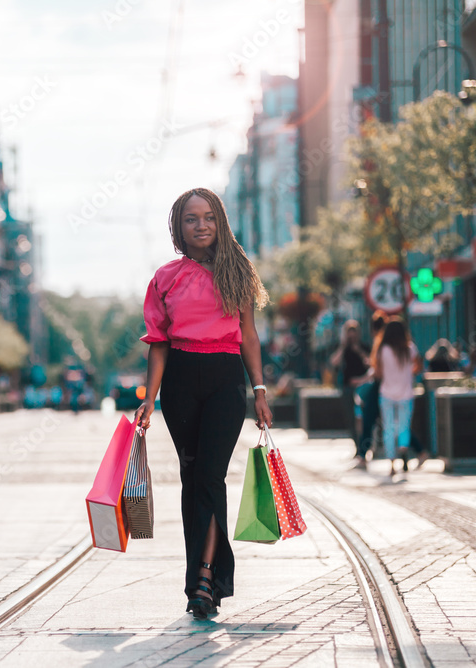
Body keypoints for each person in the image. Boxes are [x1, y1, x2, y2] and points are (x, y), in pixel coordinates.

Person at [134, 187, 271, 620]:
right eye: (191, 219)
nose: (201, 225)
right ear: (179, 226)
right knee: (192, 478)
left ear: (220, 221)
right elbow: (158, 343)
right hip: (180, 381)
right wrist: (149, 398)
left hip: (225, 381)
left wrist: (260, 391)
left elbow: (249, 336)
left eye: (209, 217)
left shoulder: (239, 271)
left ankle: (206, 581)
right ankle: (200, 579)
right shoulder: (165, 278)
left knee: (211, 477)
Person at [372, 317, 421, 475]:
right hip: (406, 392)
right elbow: (418, 366)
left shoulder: (382, 349)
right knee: (404, 426)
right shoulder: (410, 348)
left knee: (388, 427)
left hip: (386, 392)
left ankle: (392, 464)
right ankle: (403, 450)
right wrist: (408, 373)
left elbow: (378, 372)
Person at [329, 320, 370, 451]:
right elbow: (334, 362)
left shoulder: (364, 347)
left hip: (363, 387)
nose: (352, 337)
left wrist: (358, 351)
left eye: (354, 334)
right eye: (349, 335)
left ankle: (366, 446)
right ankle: (358, 447)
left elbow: (371, 364)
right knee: (350, 419)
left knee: (364, 418)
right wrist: (343, 346)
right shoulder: (343, 349)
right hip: (347, 388)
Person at [355, 310, 388, 468]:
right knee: (392, 422)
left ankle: (363, 455)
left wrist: (363, 378)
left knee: (369, 419)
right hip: (384, 386)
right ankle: (419, 450)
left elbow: (378, 369)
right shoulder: (387, 342)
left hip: (380, 386)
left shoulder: (380, 343)